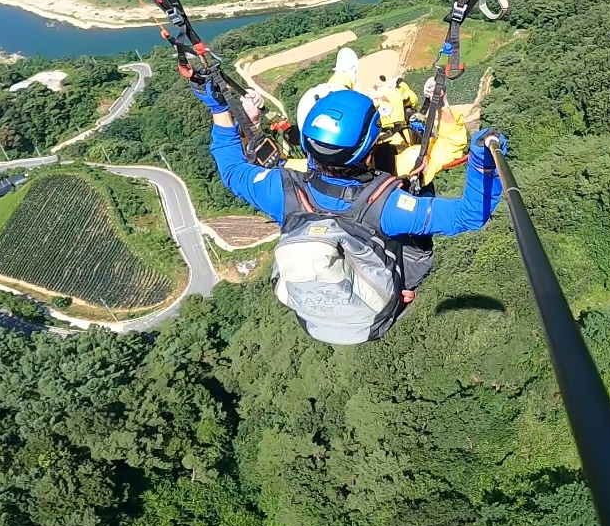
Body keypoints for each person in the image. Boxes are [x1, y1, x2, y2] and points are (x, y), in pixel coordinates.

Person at [195, 79, 506, 343]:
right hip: (382, 307)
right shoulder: (389, 206)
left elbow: (233, 170)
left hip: (316, 318)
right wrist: (483, 165)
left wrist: (221, 109)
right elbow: (468, 215)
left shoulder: (283, 190)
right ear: (371, 147)